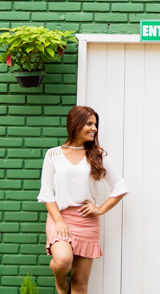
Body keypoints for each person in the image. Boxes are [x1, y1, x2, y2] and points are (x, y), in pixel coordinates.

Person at [38, 105, 128, 294]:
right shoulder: (53, 155)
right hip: (59, 218)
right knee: (62, 261)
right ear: (75, 124)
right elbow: (47, 193)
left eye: (95, 124)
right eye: (89, 124)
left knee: (79, 283)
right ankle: (61, 283)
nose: (94, 128)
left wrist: (100, 209)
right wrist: (59, 220)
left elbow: (120, 187)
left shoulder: (98, 155)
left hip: (87, 222)